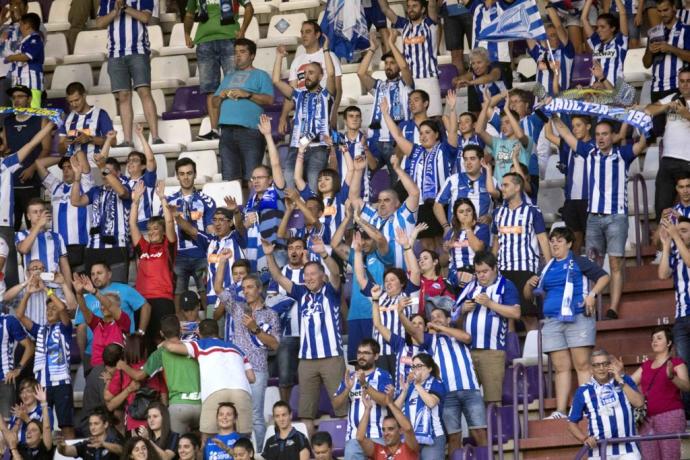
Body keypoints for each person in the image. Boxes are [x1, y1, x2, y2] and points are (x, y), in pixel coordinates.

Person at [557, 118, 647, 319]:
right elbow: (565, 133)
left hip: (616, 217)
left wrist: (641, 122)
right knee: (592, 264)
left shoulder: (622, 154)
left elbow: (641, 144)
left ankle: (613, 308)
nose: (600, 138)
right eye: (597, 134)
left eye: (605, 134)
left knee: (615, 264)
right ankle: (591, 304)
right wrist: (553, 116)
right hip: (594, 218)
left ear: (613, 136)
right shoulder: (589, 153)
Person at [525, 227, 610, 419]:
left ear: (569, 244)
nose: (554, 244)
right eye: (552, 240)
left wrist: (592, 295)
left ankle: (587, 409)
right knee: (561, 368)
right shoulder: (546, 267)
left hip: (578, 316)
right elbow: (528, 296)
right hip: (552, 321)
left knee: (582, 365)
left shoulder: (578, 261)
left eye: (560, 240)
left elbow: (604, 276)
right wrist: (528, 285)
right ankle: (561, 411)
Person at [264, 238, 347, 436]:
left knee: (342, 409)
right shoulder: (301, 293)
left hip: (332, 358)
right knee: (306, 415)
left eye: (313, 274)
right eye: (306, 275)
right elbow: (277, 275)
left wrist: (325, 255)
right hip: (307, 360)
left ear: (321, 276)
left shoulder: (331, 292)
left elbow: (335, 273)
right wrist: (268, 255)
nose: (309, 278)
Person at [400, 306, 486, 452]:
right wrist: (400, 313)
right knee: (453, 437)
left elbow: (467, 337)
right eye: (432, 318)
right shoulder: (431, 340)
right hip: (447, 394)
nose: (435, 319)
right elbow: (413, 331)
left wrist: (441, 328)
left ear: (448, 320)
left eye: (439, 316)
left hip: (470, 390)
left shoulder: (459, 335)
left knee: (480, 433)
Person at [215, 267, 280, 449]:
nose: (246, 291)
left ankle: (257, 453)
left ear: (259, 289)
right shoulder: (237, 309)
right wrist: (221, 261)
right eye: (244, 288)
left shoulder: (270, 314)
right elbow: (218, 288)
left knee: (256, 416)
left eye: (250, 287)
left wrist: (255, 329)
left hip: (258, 369)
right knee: (235, 415)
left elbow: (275, 344)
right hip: (237, 371)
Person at [380, 94, 455, 247]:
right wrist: (385, 114)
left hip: (442, 203)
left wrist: (452, 108)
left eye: (427, 132)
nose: (423, 136)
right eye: (421, 133)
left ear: (436, 135)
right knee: (427, 246)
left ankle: (443, 272)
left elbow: (453, 131)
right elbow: (398, 135)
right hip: (421, 204)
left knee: (444, 246)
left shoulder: (445, 150)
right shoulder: (415, 151)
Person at [161, 319, 255, 440]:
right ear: (218, 331)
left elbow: (171, 347)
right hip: (241, 391)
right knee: (244, 439)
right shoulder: (237, 349)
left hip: (215, 391)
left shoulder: (200, 344)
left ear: (199, 332)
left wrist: (163, 342)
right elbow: (252, 378)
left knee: (208, 439)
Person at [454, 250, 520, 405]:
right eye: (478, 272)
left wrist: (490, 303)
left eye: (485, 271)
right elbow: (453, 314)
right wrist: (462, 309)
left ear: (495, 268)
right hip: (468, 351)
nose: (481, 275)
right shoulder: (470, 286)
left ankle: (497, 429)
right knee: (469, 400)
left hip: (493, 351)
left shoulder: (506, 285)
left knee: (493, 401)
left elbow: (516, 313)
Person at [183, 0, 254, 140]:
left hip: (229, 39)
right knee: (210, 89)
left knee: (235, 85)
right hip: (204, 42)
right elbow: (190, 14)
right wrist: (186, 33)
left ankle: (236, 126)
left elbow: (249, 7)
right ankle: (215, 130)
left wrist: (243, 30)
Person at [273, 37, 337, 192]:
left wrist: (326, 50)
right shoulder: (298, 94)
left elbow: (332, 73)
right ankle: (294, 213)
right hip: (296, 146)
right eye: (305, 73)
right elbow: (276, 81)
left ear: (320, 76)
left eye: (311, 73)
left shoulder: (326, 94)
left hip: (318, 147)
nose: (307, 76)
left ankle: (313, 212)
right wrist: (279, 57)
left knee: (314, 181)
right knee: (288, 177)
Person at [118, 315, 201, 434]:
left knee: (177, 449)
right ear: (180, 330)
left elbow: (139, 376)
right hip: (201, 404)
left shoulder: (160, 353)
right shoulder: (193, 347)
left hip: (179, 405)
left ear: (162, 333)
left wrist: (123, 365)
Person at [95, 0, 162, 147]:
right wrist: (115, 11)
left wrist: (124, 7)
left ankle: (156, 137)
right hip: (115, 53)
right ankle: (127, 140)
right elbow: (99, 23)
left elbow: (145, 18)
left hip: (138, 51)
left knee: (144, 91)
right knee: (123, 96)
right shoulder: (107, 1)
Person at [15, 278, 75, 439]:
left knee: (66, 426)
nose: (49, 311)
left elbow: (63, 307)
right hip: (41, 386)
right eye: (47, 308)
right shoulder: (40, 330)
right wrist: (28, 292)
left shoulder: (65, 328)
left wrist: (46, 290)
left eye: (53, 308)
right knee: (41, 425)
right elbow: (19, 315)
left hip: (61, 383)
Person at [491, 172, 551, 331]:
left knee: (528, 316)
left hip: (526, 270)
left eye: (505, 185)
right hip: (503, 272)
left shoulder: (532, 211)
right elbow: (496, 243)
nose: (502, 188)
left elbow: (543, 239)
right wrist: (492, 267)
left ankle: (538, 353)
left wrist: (549, 267)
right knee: (505, 316)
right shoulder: (498, 213)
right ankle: (511, 354)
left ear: (517, 187)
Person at [212, 37, 274, 183]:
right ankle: (235, 206)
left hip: (250, 131)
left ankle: (252, 206)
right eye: (235, 52)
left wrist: (248, 94)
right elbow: (214, 103)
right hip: (226, 131)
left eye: (242, 52)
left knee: (253, 178)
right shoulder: (228, 77)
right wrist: (220, 96)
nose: (238, 55)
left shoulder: (261, 75)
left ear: (252, 55)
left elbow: (270, 100)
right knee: (230, 178)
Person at [357, 29, 414, 184]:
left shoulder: (406, 84)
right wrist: (372, 48)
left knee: (397, 182)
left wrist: (390, 43)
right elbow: (361, 73)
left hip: (395, 140)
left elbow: (405, 68)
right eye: (386, 63)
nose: (388, 66)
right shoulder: (379, 85)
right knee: (362, 176)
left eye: (392, 63)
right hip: (374, 140)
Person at [72, 261, 150, 372]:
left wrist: (95, 292)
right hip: (95, 368)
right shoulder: (98, 324)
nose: (102, 307)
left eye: (99, 273)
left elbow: (110, 306)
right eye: (93, 274)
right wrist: (79, 294)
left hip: (116, 369)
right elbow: (85, 311)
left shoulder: (123, 322)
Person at [567, 350, 644, 459]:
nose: (601, 368)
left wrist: (620, 380)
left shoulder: (624, 380)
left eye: (605, 364)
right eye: (597, 365)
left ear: (610, 365)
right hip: (598, 451)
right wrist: (584, 439)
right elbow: (571, 423)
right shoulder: (583, 391)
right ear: (591, 368)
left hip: (628, 451)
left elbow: (639, 403)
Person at [70, 151, 132, 283]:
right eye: (103, 171)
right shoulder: (96, 190)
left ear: (118, 173)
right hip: (93, 248)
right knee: (93, 291)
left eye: (108, 171)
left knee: (116, 291)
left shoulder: (126, 187)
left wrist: (102, 167)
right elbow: (76, 201)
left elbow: (121, 192)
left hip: (116, 247)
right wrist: (77, 178)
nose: (104, 174)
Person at [631, 327, 690, 460]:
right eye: (652, 339)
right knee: (649, 457)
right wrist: (619, 374)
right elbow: (630, 383)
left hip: (670, 416)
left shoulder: (676, 363)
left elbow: (687, 386)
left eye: (659, 338)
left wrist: (672, 377)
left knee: (670, 456)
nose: (654, 342)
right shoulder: (646, 365)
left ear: (669, 343)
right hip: (646, 419)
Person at [130, 181, 176, 350]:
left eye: (156, 228)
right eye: (149, 229)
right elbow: (132, 225)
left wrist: (162, 198)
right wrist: (135, 201)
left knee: (163, 344)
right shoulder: (143, 247)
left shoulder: (168, 246)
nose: (151, 232)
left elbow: (170, 223)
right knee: (144, 344)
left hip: (163, 299)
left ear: (163, 231)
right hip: (141, 301)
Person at [166, 157, 216, 309]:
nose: (186, 177)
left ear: (195, 174)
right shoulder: (169, 202)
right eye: (182, 174)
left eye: (189, 173)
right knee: (178, 294)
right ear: (177, 175)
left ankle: (209, 325)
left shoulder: (207, 200)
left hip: (201, 254)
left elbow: (210, 230)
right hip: (178, 256)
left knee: (205, 291)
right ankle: (178, 328)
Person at [279, 19, 343, 135]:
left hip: (323, 117)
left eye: (308, 32)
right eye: (302, 32)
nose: (304, 35)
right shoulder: (296, 61)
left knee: (322, 151)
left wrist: (333, 114)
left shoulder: (330, 56)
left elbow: (338, 89)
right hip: (301, 120)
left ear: (317, 34)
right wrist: (283, 117)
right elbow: (291, 94)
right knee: (299, 152)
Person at [378, 0, 441, 116]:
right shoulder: (403, 25)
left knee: (433, 118)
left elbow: (432, 4)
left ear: (423, 9)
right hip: (408, 80)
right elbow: (385, 9)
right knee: (412, 118)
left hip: (428, 78)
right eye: (409, 6)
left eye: (415, 6)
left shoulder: (430, 24)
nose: (411, 9)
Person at [332, 339, 393, 460]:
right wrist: (347, 389)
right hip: (354, 437)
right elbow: (336, 405)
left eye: (366, 353)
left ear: (376, 356)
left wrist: (365, 384)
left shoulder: (383, 375)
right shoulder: (349, 377)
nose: (361, 356)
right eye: (359, 353)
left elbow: (385, 401)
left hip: (378, 435)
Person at [245, 114, 288, 282]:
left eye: (260, 177)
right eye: (254, 178)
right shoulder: (251, 201)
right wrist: (245, 223)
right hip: (254, 256)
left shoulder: (276, 192)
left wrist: (268, 136)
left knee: (277, 295)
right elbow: (245, 227)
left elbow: (276, 164)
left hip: (276, 252)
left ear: (270, 180)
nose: (256, 181)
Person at [645, 68, 690, 222]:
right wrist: (665, 107)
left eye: (688, 81)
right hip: (668, 160)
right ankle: (664, 244)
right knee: (663, 211)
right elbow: (647, 110)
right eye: (682, 81)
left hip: (688, 161)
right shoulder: (673, 97)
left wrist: (687, 115)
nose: (685, 85)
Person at [35, 155, 92, 273]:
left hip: (81, 244)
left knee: (81, 284)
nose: (65, 170)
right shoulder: (56, 186)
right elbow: (39, 163)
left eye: (69, 167)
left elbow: (83, 159)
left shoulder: (86, 184)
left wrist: (73, 156)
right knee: (63, 285)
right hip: (59, 245)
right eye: (63, 168)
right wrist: (63, 156)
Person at [544, 115, 593, 254]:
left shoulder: (593, 146)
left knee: (591, 238)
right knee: (574, 239)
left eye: (578, 125)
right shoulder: (568, 145)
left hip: (589, 199)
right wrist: (547, 116)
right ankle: (574, 269)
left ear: (588, 126)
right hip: (571, 200)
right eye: (573, 126)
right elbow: (549, 134)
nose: (575, 129)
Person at [642, 0, 690, 138]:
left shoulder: (686, 30)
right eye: (659, 11)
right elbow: (646, 63)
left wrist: (671, 49)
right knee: (657, 132)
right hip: (657, 88)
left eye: (666, 10)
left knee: (678, 129)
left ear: (674, 8)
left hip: (677, 87)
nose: (662, 14)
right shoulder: (654, 32)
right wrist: (650, 51)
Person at [658, 216, 690, 417]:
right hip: (681, 318)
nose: (680, 233)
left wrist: (676, 237)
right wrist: (666, 244)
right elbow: (662, 274)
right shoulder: (675, 253)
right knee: (683, 367)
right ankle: (687, 414)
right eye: (678, 230)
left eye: (685, 230)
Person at [105, 334, 166, 433]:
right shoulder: (153, 367)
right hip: (157, 423)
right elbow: (164, 398)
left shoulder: (122, 371)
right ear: (145, 350)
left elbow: (109, 400)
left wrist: (110, 381)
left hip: (133, 424)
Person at [434, 145, 499, 234]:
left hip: (482, 235)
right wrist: (446, 227)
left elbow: (502, 205)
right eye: (465, 159)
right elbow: (438, 205)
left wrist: (491, 217)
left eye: (472, 159)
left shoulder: (491, 181)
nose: (468, 163)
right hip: (456, 234)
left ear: (481, 161)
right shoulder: (453, 179)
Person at [394, 353, 445, 459]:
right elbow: (395, 409)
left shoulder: (437, 383)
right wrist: (404, 391)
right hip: (410, 438)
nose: (415, 369)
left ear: (429, 368)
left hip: (434, 437)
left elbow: (431, 403)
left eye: (419, 366)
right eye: (413, 366)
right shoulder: (410, 386)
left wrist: (417, 385)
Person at [15, 198, 73, 292]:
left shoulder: (57, 237)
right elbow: (24, 249)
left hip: (55, 287)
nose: (38, 214)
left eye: (41, 211)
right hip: (33, 288)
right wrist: (38, 225)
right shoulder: (21, 235)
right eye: (35, 212)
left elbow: (65, 266)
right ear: (28, 216)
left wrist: (68, 291)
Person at [58, 81, 114, 165]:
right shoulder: (67, 118)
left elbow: (113, 141)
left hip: (96, 166)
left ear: (84, 96)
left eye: (76, 100)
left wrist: (90, 139)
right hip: (75, 170)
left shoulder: (100, 114)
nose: (74, 104)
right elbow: (60, 150)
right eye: (71, 101)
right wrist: (65, 144)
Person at [357, 386, 420, 460]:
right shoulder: (377, 450)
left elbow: (408, 429)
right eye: (384, 430)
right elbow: (360, 438)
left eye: (390, 429)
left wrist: (390, 403)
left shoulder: (409, 447)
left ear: (400, 430)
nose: (386, 433)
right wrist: (367, 409)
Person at [443, 199, 491, 288]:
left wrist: (468, 228)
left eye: (468, 210)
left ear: (473, 212)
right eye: (461, 212)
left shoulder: (481, 228)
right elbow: (443, 261)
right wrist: (445, 249)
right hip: (455, 276)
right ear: (456, 215)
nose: (465, 214)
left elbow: (478, 249)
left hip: (476, 275)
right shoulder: (451, 233)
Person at [77, 344, 122, 437]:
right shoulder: (103, 375)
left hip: (100, 421)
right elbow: (110, 406)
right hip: (93, 426)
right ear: (120, 362)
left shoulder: (101, 368)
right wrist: (129, 390)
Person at [527, 6, 574, 95]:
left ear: (559, 37)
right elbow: (528, 33)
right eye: (546, 36)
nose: (547, 38)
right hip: (541, 102)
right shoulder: (539, 52)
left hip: (561, 100)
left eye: (552, 35)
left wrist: (547, 5)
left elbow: (559, 26)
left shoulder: (566, 51)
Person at [582, 0, 629, 87]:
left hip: (613, 91)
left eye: (602, 27)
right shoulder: (596, 43)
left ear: (613, 28)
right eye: (597, 27)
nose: (598, 30)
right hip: (595, 91)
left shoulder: (620, 43)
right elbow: (584, 19)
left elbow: (622, 13)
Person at [0, 385, 53, 460]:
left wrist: (43, 402)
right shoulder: (22, 448)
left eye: (34, 430)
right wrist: (19, 420)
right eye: (27, 430)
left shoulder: (45, 447)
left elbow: (47, 428)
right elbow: (10, 436)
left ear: (41, 435)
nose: (28, 432)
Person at [5, 13, 43, 107]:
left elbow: (26, 56)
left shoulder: (36, 39)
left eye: (21, 24)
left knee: (34, 113)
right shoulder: (23, 41)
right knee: (19, 115)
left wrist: (10, 58)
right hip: (19, 84)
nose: (20, 27)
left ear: (27, 25)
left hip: (32, 84)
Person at [456, 47, 507, 113]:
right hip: (486, 111)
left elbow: (490, 78)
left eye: (479, 62)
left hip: (504, 109)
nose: (476, 67)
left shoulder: (496, 69)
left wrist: (471, 82)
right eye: (473, 63)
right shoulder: (473, 75)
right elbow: (456, 80)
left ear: (488, 62)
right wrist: (458, 82)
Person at [57, 410, 123, 460]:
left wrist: (103, 444)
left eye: (96, 424)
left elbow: (122, 450)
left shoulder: (114, 440)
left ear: (105, 424)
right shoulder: (87, 444)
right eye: (90, 424)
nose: (92, 427)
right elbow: (66, 451)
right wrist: (61, 446)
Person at [8, 378, 53, 443]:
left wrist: (26, 418)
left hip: (36, 451)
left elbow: (46, 435)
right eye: (22, 392)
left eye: (28, 391)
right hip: (17, 449)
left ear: (36, 393)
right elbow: (9, 439)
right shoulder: (17, 413)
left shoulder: (45, 411)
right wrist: (19, 420)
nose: (24, 395)